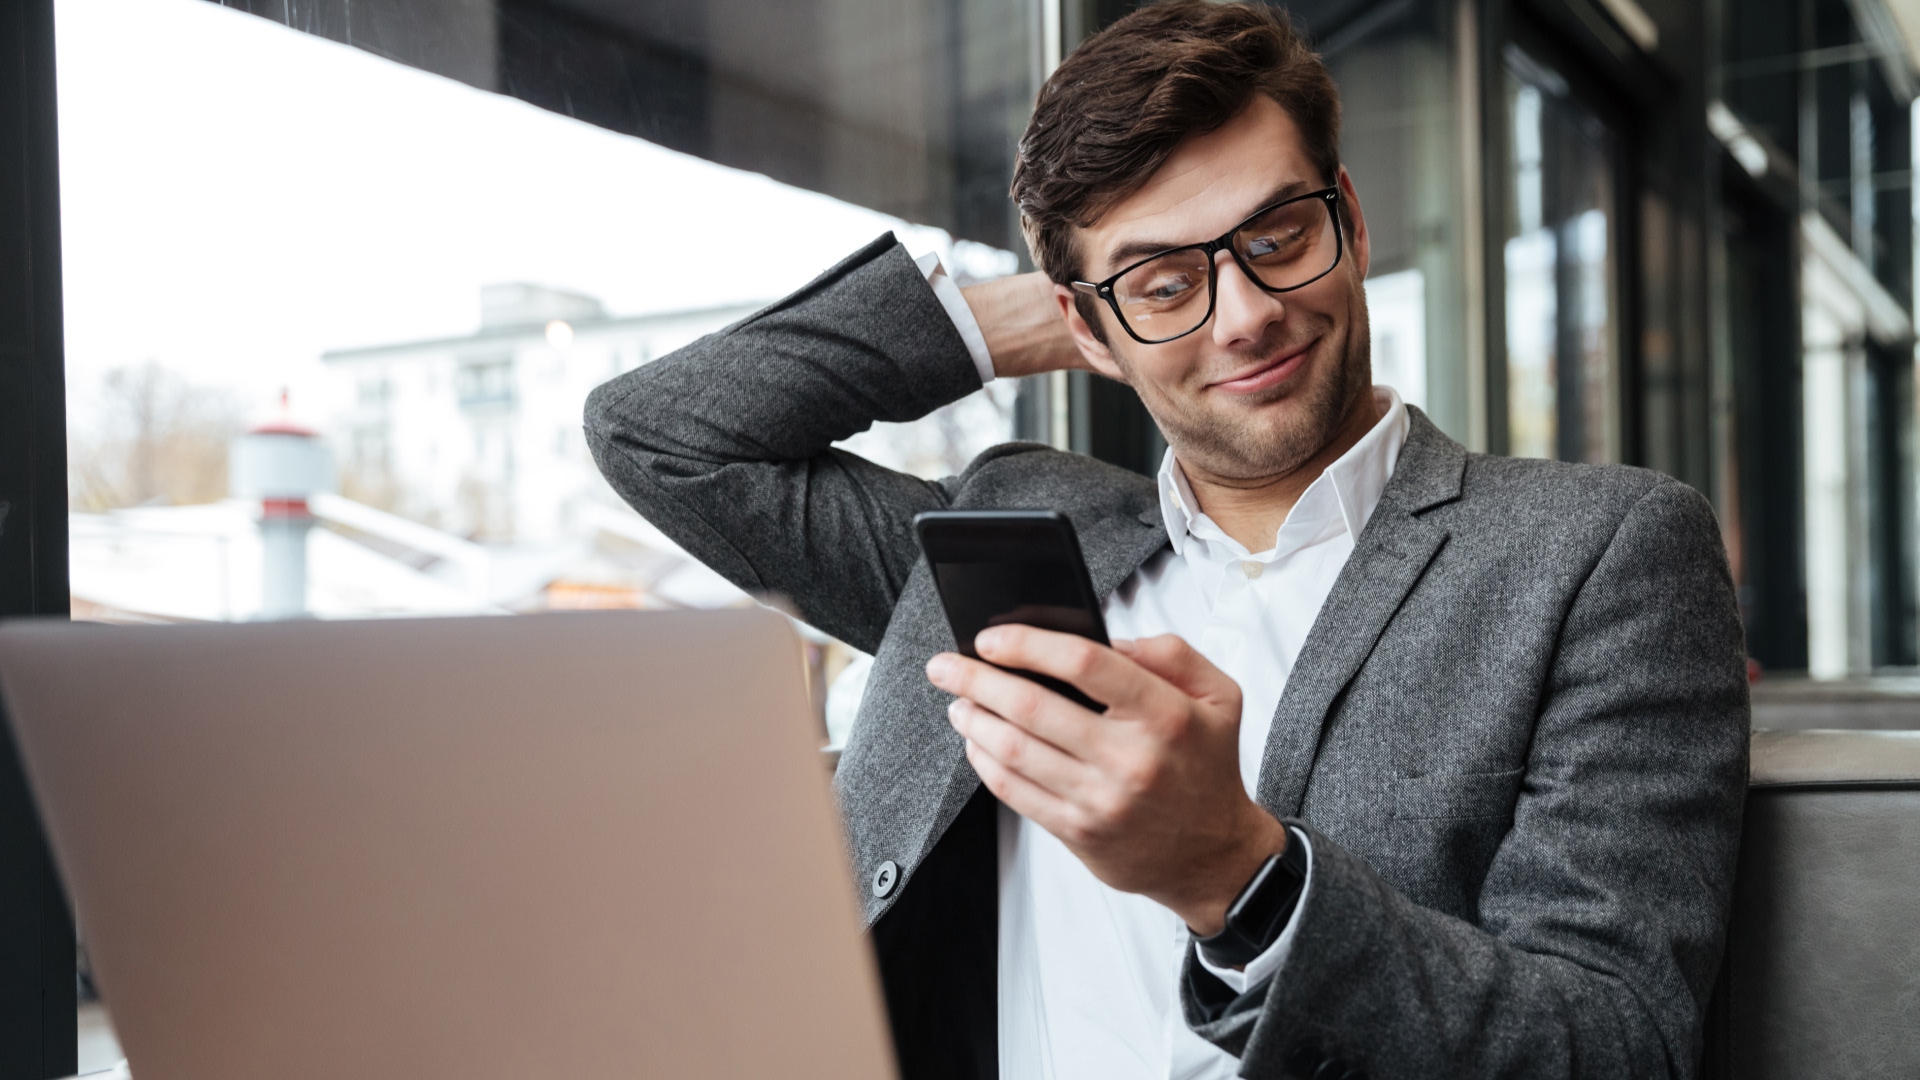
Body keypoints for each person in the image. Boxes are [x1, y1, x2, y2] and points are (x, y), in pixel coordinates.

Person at [584, 3, 1749, 1078]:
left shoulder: (1601, 549)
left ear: (1350, 216)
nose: (1246, 314)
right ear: (1085, 323)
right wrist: (988, 322)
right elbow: (662, 437)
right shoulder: (994, 541)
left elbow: (1617, 1042)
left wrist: (1235, 875)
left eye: (1279, 233)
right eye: (1161, 281)